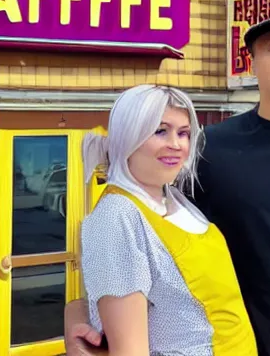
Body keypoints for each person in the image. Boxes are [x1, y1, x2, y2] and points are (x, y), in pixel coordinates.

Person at [64, 10, 270, 356]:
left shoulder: (182, 174)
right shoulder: (210, 150)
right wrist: (79, 312)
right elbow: (135, 250)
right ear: (252, 64)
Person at [77, 84, 257, 355]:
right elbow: (129, 350)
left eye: (183, 133)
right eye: (160, 131)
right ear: (129, 135)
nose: (176, 144)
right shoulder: (117, 217)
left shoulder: (174, 198)